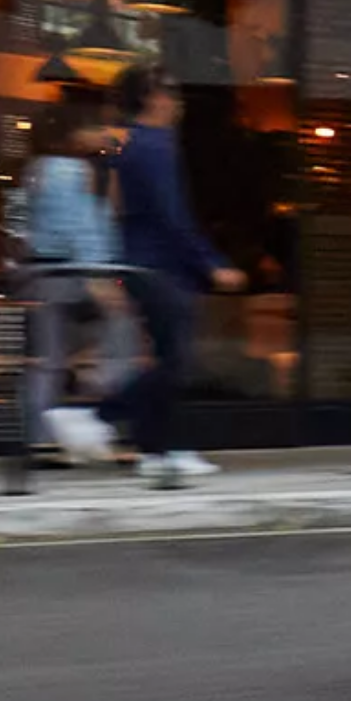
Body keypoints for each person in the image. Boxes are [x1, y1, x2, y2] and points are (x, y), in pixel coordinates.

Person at [57, 64, 245, 483]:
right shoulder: (156, 145)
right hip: (161, 268)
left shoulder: (136, 145)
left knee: (168, 359)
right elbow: (171, 216)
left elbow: (135, 215)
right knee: (176, 362)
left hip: (143, 264)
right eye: (171, 92)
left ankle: (157, 452)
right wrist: (211, 263)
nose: (177, 101)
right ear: (152, 97)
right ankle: (94, 417)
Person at [25, 97, 128, 463]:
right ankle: (97, 427)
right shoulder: (69, 171)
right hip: (71, 273)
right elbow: (81, 228)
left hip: (45, 273)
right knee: (117, 343)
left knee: (48, 359)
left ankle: (42, 438)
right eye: (94, 129)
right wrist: (100, 276)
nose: (102, 135)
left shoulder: (40, 168)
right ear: (73, 134)